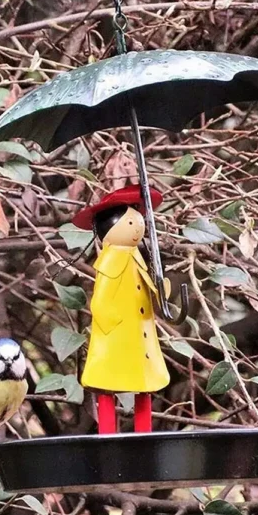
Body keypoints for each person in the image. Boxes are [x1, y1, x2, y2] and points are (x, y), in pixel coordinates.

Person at [72, 185, 170, 434]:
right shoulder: (112, 259)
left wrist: (161, 290)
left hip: (139, 335)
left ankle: (144, 432)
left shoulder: (136, 255)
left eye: (138, 223)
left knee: (143, 383)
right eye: (130, 224)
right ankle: (107, 432)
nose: (137, 228)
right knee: (108, 385)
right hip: (117, 335)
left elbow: (147, 288)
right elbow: (101, 299)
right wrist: (110, 321)